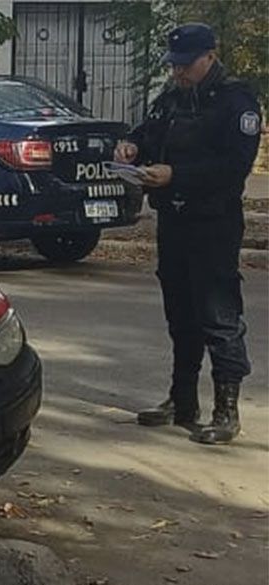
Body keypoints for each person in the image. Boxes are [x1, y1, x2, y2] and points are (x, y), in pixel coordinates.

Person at [115, 23, 261, 445]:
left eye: (186, 65)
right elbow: (148, 132)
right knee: (180, 312)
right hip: (174, 220)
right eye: (174, 65)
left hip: (213, 223)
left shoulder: (236, 102)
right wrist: (130, 147)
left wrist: (176, 175)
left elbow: (233, 167)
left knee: (218, 313)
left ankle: (225, 409)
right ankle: (182, 400)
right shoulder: (173, 98)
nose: (178, 72)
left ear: (209, 57)